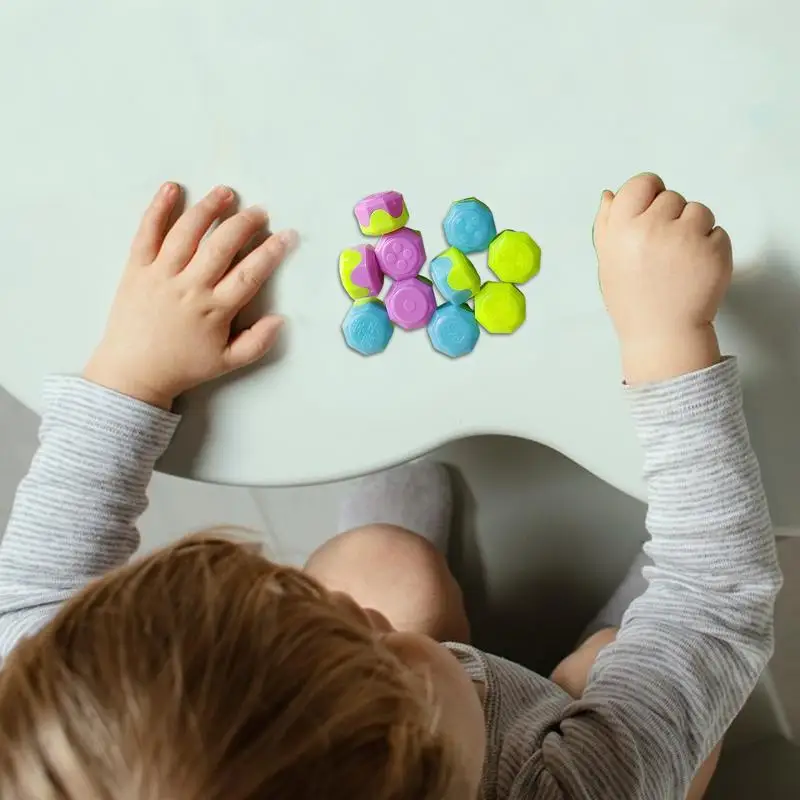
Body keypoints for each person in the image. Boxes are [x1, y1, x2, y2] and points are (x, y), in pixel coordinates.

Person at [0, 175, 782, 799]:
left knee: (382, 566)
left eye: (289, 597)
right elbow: (717, 601)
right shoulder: (581, 786)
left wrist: (132, 371)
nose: (375, 623)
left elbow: (34, 590)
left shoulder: (61, 730)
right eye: (392, 660)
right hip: (567, 748)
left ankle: (411, 497)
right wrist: (668, 336)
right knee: (627, 664)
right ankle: (625, 662)